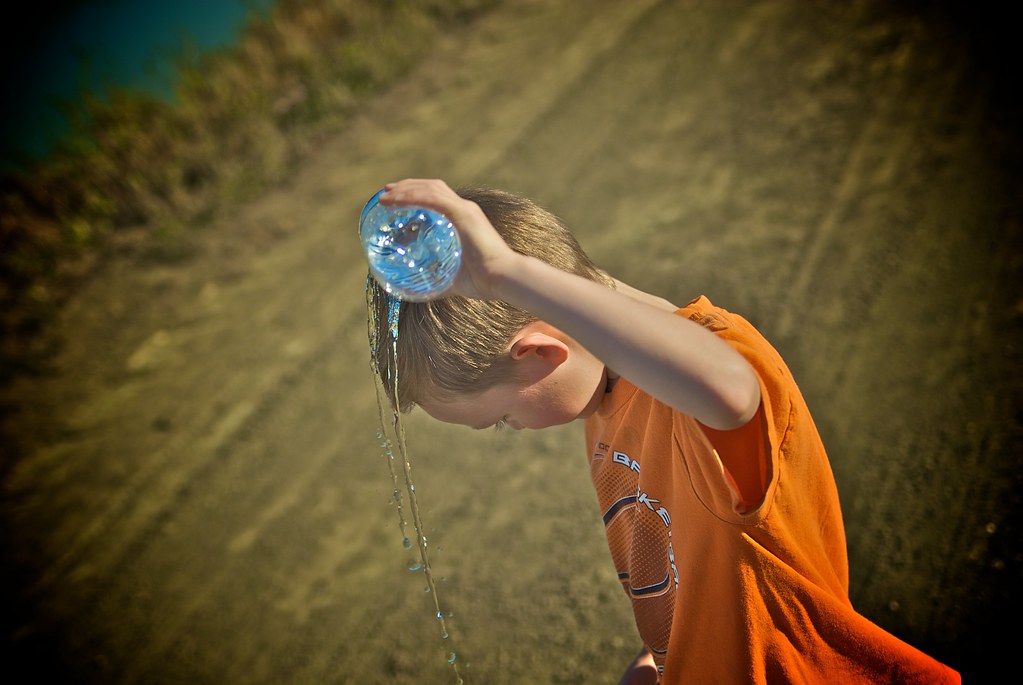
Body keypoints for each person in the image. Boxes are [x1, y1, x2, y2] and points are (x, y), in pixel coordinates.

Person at [368, 178, 961, 684]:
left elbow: (729, 390)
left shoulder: (698, 385)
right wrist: (662, 657)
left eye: (500, 419)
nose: (513, 430)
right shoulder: (603, 395)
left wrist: (505, 274)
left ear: (543, 355)